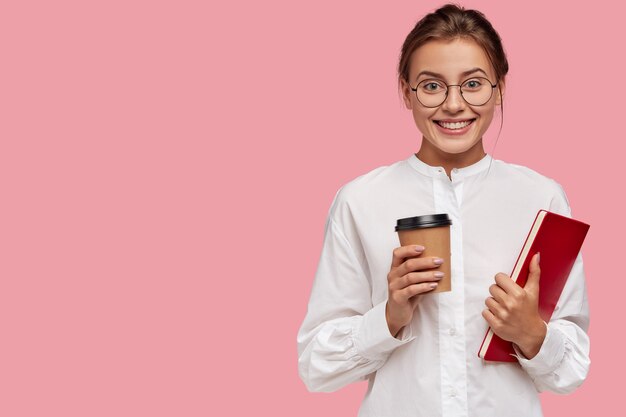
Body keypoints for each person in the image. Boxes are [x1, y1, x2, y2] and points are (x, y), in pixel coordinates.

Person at [297, 3, 590, 417]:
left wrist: (532, 335)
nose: (454, 104)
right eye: (432, 86)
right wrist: (389, 317)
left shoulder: (541, 198)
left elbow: (572, 370)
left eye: (473, 84)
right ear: (406, 92)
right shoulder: (360, 201)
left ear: (500, 88)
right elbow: (315, 366)